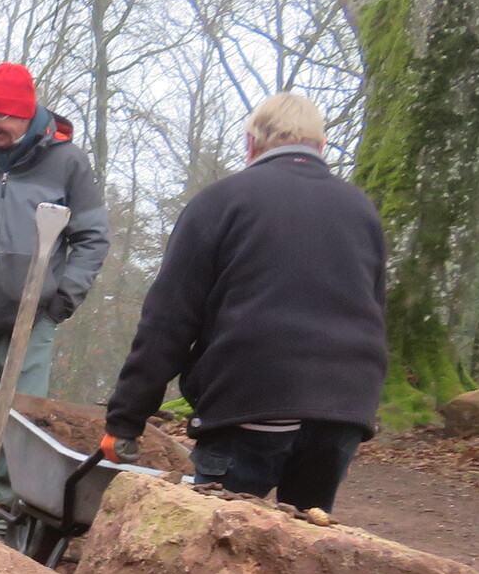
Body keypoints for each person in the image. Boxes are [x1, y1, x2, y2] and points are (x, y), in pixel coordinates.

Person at [102, 92, 387, 511]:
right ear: (321, 145)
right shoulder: (361, 209)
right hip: (343, 408)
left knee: (216, 535)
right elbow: (375, 309)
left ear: (251, 143)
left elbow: (169, 320)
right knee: (305, 540)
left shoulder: (221, 201)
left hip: (252, 400)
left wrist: (126, 420)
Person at [0, 62, 110, 540]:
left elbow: (92, 237)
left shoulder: (67, 162)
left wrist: (61, 300)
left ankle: (4, 535)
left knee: (18, 431)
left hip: (31, 318)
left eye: (0, 117)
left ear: (26, 114)